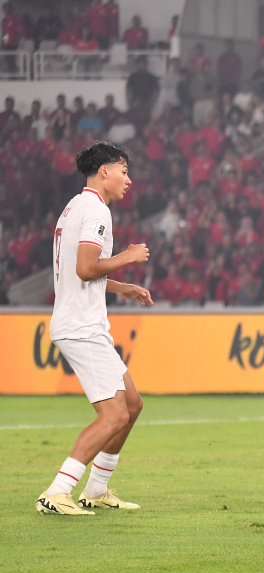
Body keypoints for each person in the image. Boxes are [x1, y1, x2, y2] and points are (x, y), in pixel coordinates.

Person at [36, 142, 153, 516]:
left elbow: (78, 268)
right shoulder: (96, 211)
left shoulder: (76, 205)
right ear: (104, 171)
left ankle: (97, 489)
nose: (128, 180)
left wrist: (122, 288)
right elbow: (87, 268)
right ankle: (57, 492)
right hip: (81, 326)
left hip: (84, 322)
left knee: (131, 405)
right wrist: (128, 258)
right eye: (123, 170)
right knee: (114, 415)